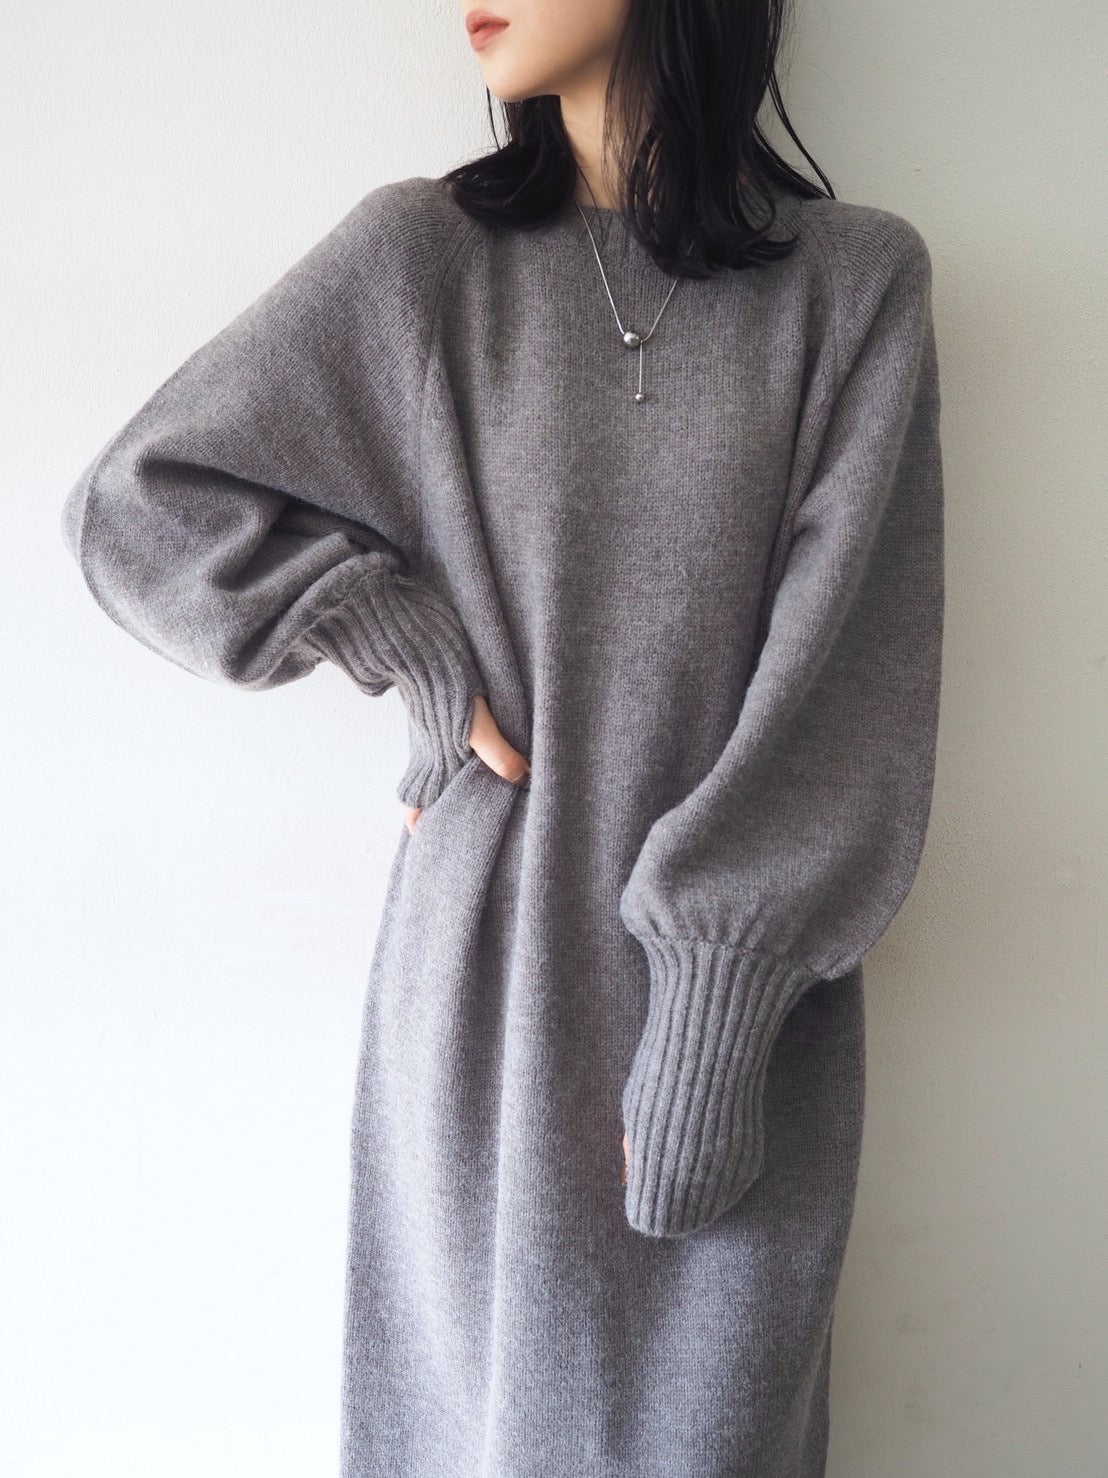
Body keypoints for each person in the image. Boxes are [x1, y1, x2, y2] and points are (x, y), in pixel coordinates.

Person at [60, 0, 945, 1472]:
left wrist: (716, 1003)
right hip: (483, 983)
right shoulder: (423, 261)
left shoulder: (852, 288)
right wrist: (386, 631)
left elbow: (858, 691)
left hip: (737, 1021)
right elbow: (138, 504)